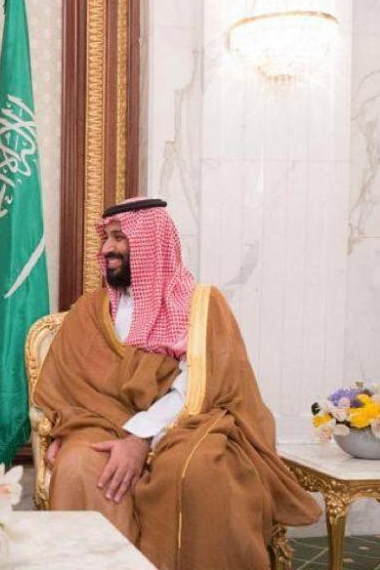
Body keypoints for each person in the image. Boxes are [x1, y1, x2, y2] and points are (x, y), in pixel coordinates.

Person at [33, 198, 320, 570]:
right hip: (100, 421)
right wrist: (65, 426)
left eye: (119, 238)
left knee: (197, 472)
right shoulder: (89, 310)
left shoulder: (201, 306)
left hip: (186, 423)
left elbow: (200, 385)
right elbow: (68, 385)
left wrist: (140, 438)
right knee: (78, 466)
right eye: (106, 239)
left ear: (152, 242)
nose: (106, 249)